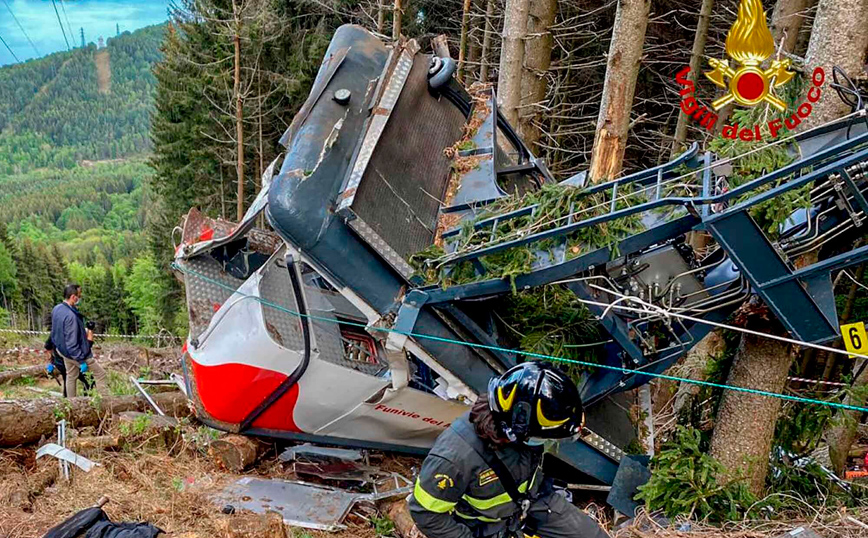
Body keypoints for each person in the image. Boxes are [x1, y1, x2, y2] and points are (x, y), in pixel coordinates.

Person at [409, 362, 609, 538]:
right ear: (515, 430)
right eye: (542, 438)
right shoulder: (454, 457)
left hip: (533, 501)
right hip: (484, 526)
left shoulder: (519, 421)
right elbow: (426, 514)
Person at [50, 283, 106, 397]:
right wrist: (81, 361)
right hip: (75, 354)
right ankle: (107, 403)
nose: (80, 298)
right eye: (79, 296)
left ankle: (72, 404)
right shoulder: (71, 316)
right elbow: (72, 343)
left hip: (63, 351)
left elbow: (55, 332)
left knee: (71, 376)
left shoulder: (57, 309)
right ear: (73, 297)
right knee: (101, 374)